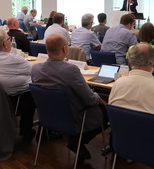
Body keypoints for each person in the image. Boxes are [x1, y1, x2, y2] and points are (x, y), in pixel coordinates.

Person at [31, 33, 106, 161]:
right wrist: (99, 97)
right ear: (65, 49)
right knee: (107, 112)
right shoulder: (71, 70)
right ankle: (77, 140)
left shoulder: (35, 68)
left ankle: (73, 139)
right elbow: (89, 99)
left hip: (49, 116)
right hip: (74, 116)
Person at [0, 30, 35, 139]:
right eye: (9, 39)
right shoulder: (13, 59)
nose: (10, 41)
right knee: (35, 92)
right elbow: (35, 72)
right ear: (5, 44)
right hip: (12, 100)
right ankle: (27, 130)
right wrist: (26, 79)